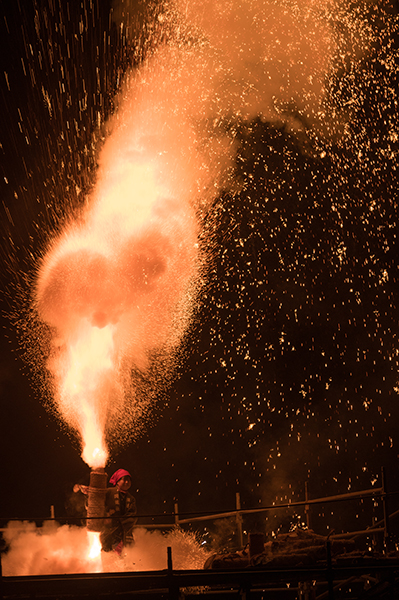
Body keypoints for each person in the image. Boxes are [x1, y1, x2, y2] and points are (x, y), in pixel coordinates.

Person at [100, 469, 137, 554]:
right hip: (108, 529)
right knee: (107, 552)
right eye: (124, 479)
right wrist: (106, 515)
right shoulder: (109, 492)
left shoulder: (131, 499)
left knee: (124, 553)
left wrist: (121, 523)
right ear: (118, 481)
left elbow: (132, 515)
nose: (127, 482)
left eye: (129, 480)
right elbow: (98, 504)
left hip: (124, 531)